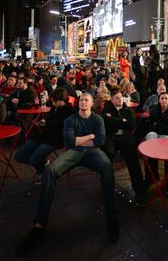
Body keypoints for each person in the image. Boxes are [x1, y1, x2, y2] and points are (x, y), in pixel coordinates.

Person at [15, 93, 119, 257]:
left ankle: (112, 219)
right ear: (79, 103)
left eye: (87, 100)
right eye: (82, 100)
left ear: (92, 103)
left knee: (107, 167)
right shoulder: (71, 120)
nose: (84, 102)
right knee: (49, 171)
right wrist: (90, 136)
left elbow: (100, 141)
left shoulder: (97, 119)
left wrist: (83, 139)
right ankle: (39, 224)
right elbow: (70, 142)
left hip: (93, 152)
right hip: (74, 152)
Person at [14, 88, 75, 182]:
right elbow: (50, 120)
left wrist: (48, 123)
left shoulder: (70, 112)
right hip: (42, 136)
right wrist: (44, 122)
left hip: (55, 139)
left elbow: (62, 126)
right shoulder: (55, 107)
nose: (52, 103)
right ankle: (45, 164)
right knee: (19, 156)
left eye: (54, 101)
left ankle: (43, 173)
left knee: (33, 159)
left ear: (61, 100)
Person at [101, 88, 147, 206]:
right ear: (112, 99)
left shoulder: (128, 110)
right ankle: (108, 188)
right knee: (107, 158)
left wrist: (114, 120)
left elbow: (131, 125)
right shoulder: (106, 109)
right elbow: (106, 121)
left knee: (133, 162)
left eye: (121, 97)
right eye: (117, 97)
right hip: (111, 138)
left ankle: (140, 193)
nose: (120, 99)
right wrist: (121, 120)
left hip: (125, 138)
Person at [143, 92, 168, 196]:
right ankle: (151, 176)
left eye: (166, 98)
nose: (164, 100)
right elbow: (149, 125)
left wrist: (157, 124)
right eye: (162, 98)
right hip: (155, 134)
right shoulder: (154, 109)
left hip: (166, 136)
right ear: (159, 100)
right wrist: (158, 126)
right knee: (150, 136)